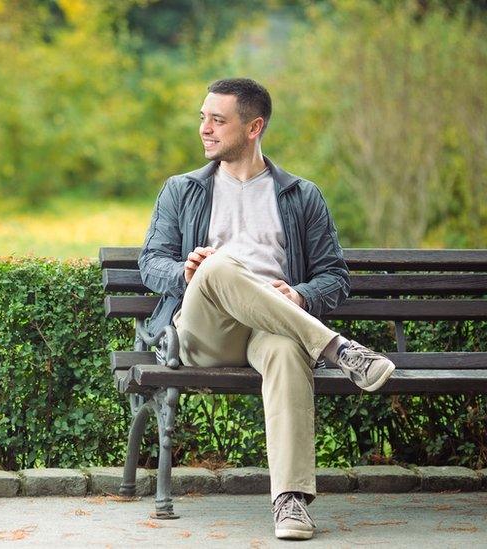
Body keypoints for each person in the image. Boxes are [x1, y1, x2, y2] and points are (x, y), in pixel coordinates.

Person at [138, 78, 395, 541]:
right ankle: (338, 349)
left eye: (218, 120)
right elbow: (150, 262)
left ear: (253, 127)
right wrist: (186, 272)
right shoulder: (182, 190)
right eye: (203, 117)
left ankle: (290, 502)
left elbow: (334, 277)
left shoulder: (300, 195)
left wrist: (299, 296)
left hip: (268, 326)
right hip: (205, 331)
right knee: (216, 265)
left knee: (286, 349)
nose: (205, 129)